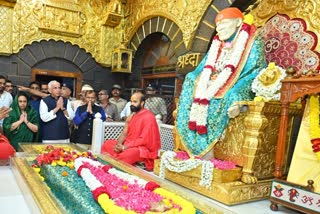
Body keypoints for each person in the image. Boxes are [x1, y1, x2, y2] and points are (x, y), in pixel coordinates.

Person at [175, 7, 266, 157]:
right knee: (190, 77)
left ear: (238, 22)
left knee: (233, 94)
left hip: (238, 79)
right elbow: (204, 66)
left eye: (223, 24)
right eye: (217, 25)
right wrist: (195, 77)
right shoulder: (217, 43)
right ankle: (190, 144)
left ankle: (213, 153)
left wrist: (234, 90)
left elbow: (255, 68)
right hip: (212, 81)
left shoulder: (252, 40)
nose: (219, 28)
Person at [101, 91, 161, 171]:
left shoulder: (148, 117)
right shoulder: (132, 115)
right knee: (107, 144)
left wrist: (125, 147)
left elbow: (144, 140)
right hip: (128, 145)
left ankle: (118, 160)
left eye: (135, 102)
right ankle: (118, 159)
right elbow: (125, 134)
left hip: (141, 148)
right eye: (131, 101)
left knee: (130, 154)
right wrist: (118, 145)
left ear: (142, 103)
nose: (132, 104)